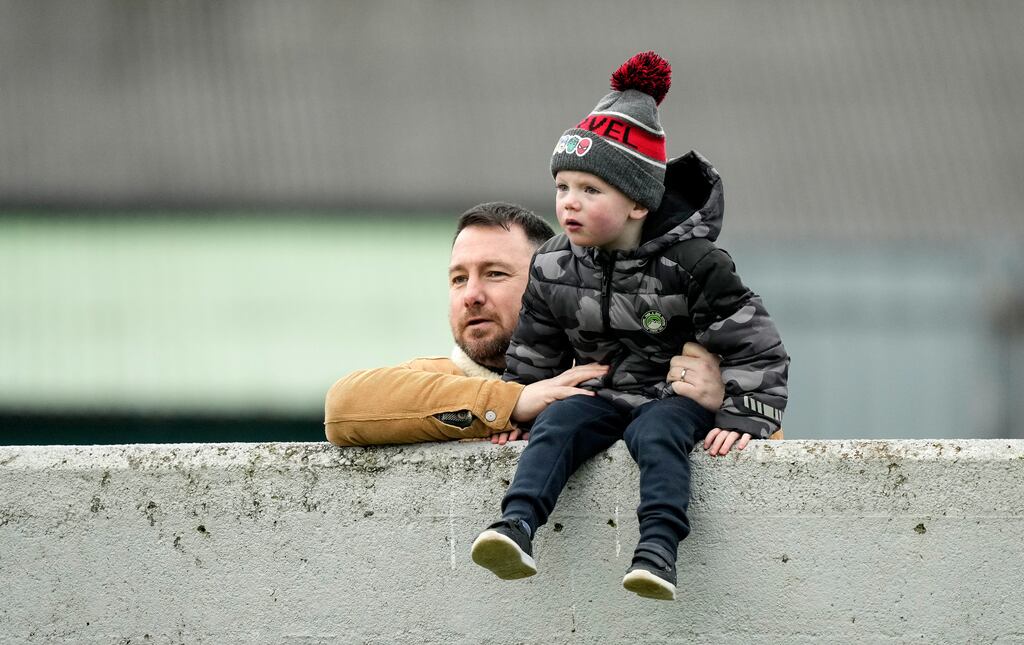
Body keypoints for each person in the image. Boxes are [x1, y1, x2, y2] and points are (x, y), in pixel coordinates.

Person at [469, 52, 790, 601]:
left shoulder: (695, 263)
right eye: (563, 187)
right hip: (603, 392)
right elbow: (536, 348)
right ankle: (516, 526)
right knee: (560, 422)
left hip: (672, 395)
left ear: (639, 203)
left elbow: (754, 344)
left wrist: (745, 414)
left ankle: (658, 551)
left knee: (657, 435)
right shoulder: (551, 264)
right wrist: (519, 404)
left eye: (591, 191)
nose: (570, 204)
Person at [323, 202, 734, 447]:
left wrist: (720, 405)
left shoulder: (624, 377)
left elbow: (769, 450)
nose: (471, 295)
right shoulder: (433, 381)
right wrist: (511, 404)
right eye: (458, 278)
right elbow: (343, 408)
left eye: (495, 274)